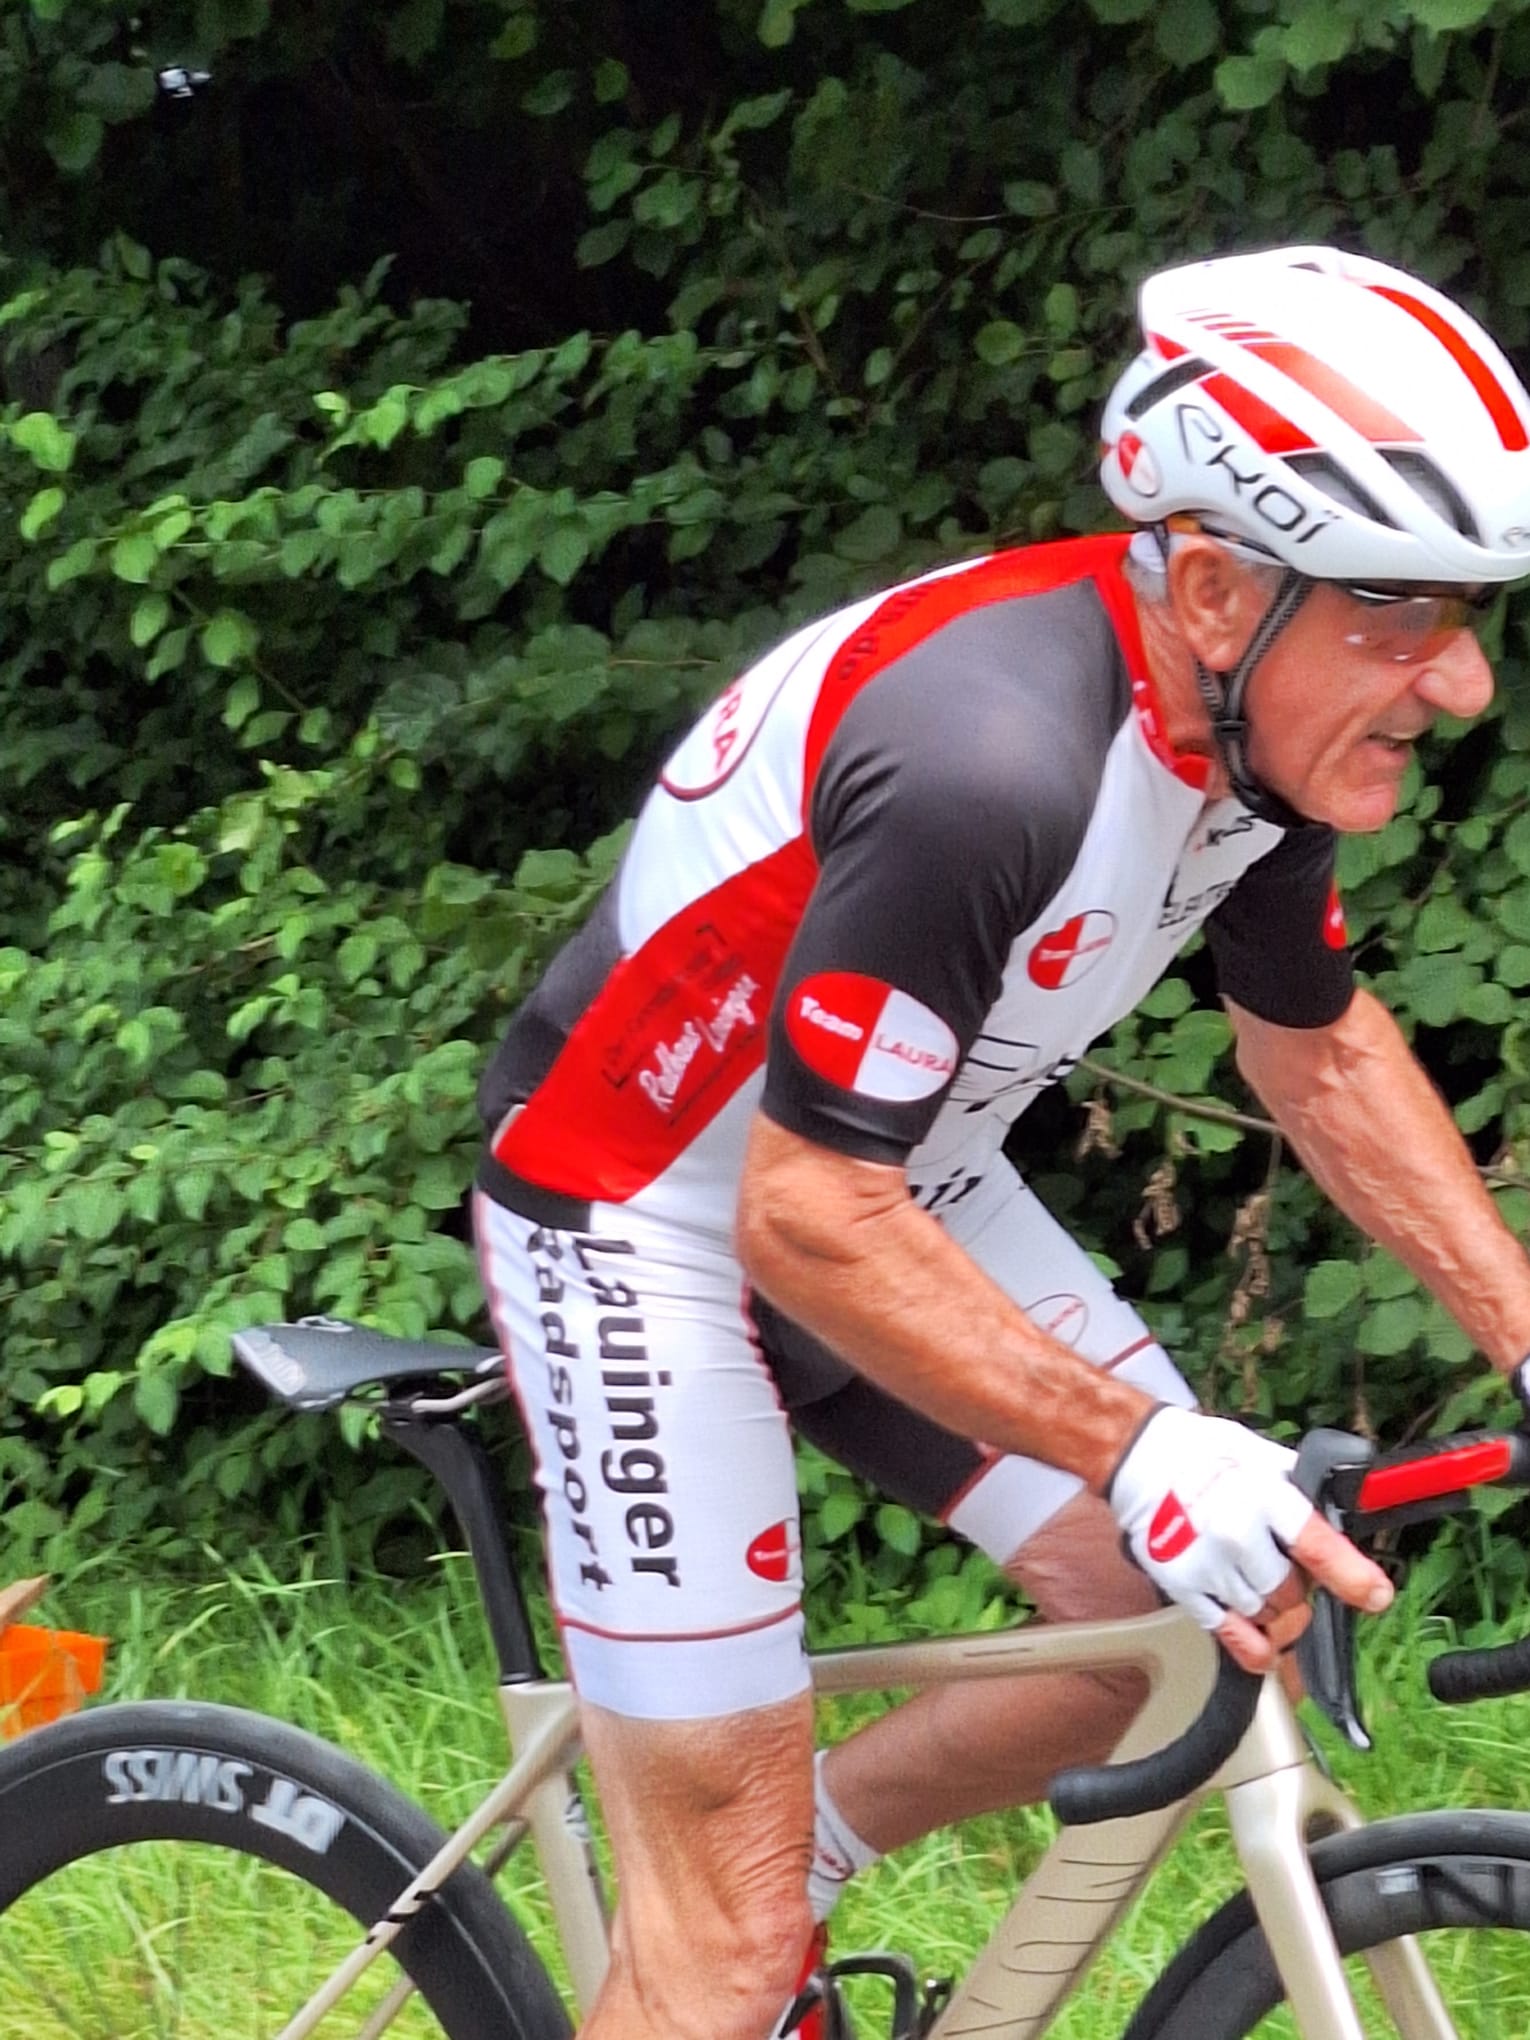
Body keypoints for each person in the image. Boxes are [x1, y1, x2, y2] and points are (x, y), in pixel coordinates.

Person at [472, 244, 1530, 2040]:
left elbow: (1314, 1042)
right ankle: (719, 1952)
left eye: (1463, 615)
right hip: (643, 1214)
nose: (1459, 688)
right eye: (1393, 618)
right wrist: (1137, 1445)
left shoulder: (1253, 740)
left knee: (1191, 1615)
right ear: (1211, 590)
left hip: (890, 1179)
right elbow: (804, 1219)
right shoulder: (995, 763)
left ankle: (792, 1863)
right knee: (709, 1956)